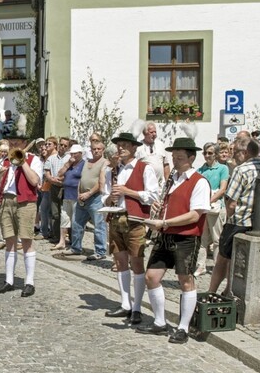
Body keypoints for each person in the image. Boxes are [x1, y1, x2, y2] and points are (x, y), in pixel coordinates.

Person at [137, 138, 210, 343]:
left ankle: (183, 328)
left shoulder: (199, 181)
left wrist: (165, 222)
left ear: (191, 158)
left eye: (180, 157)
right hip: (166, 234)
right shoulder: (172, 179)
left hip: (186, 237)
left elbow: (195, 215)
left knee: (185, 280)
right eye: (174, 157)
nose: (175, 161)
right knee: (151, 276)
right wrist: (158, 210)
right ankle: (160, 322)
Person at [103, 132, 159, 324]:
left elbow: (153, 195)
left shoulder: (144, 168)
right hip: (116, 217)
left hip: (135, 219)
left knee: (136, 263)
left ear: (134, 148)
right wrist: (110, 197)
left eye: (125, 145)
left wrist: (128, 192)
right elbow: (105, 195)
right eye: (119, 145)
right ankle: (125, 303)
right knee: (119, 262)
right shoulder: (113, 171)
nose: (121, 148)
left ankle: (137, 307)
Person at [208, 136, 260, 297]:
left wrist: (229, 218)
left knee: (223, 259)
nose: (233, 155)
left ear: (244, 152)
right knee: (237, 261)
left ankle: (211, 292)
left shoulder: (242, 170)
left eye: (235, 151)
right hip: (257, 223)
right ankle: (228, 290)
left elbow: (231, 202)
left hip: (238, 221)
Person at [0, 135, 43, 297]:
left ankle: (29, 282)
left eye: (17, 143)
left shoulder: (33, 159)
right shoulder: (6, 160)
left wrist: (23, 164)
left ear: (24, 144)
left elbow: (35, 181)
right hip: (6, 200)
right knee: (9, 240)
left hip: (25, 202)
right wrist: (0, 173)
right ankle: (9, 280)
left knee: (27, 240)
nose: (14, 145)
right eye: (11, 143)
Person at [66, 134, 108, 260]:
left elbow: (100, 182)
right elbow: (82, 179)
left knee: (98, 225)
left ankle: (100, 251)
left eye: (98, 149)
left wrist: (89, 193)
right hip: (82, 197)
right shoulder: (87, 162)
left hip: (95, 198)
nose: (96, 151)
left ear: (103, 150)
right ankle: (75, 247)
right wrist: (79, 193)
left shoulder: (104, 163)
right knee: (77, 223)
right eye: (94, 149)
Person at [195, 142, 230, 275]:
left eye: (210, 153)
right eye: (205, 153)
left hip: (215, 206)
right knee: (202, 239)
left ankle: (217, 266)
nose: (207, 155)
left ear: (215, 154)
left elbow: (222, 189)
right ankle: (201, 265)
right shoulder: (200, 170)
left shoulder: (222, 168)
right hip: (203, 208)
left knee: (217, 239)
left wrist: (209, 200)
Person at [55, 144, 85, 253]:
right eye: (71, 154)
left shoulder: (83, 164)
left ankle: (76, 244)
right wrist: (68, 164)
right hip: (66, 194)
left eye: (75, 154)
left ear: (80, 154)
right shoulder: (69, 164)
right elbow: (59, 173)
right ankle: (62, 241)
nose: (73, 156)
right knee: (64, 219)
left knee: (75, 220)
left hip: (76, 196)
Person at [44, 138, 70, 248]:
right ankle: (56, 236)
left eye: (65, 145)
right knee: (55, 213)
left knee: (67, 213)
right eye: (61, 145)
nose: (63, 147)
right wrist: (51, 179)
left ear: (67, 147)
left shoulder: (70, 158)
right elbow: (47, 172)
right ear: (58, 145)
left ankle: (68, 237)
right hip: (54, 187)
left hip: (66, 187)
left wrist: (63, 179)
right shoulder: (51, 158)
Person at [36, 137, 57, 241]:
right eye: (46, 144)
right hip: (45, 186)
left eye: (49, 144)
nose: (46, 146)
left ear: (54, 145)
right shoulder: (47, 157)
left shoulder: (55, 157)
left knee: (44, 210)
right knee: (46, 211)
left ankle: (44, 232)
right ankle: (49, 231)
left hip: (51, 186)